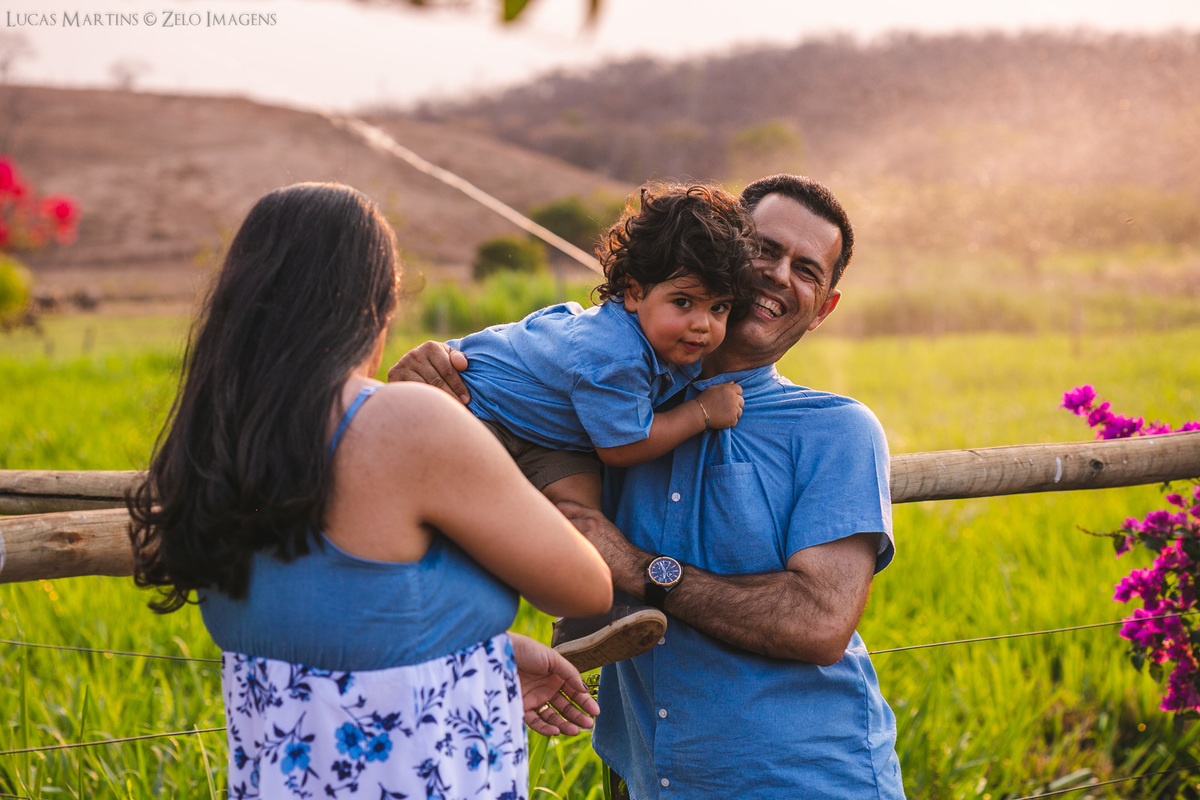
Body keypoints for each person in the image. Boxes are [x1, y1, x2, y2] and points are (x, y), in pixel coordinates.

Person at [389, 173, 905, 798]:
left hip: (806, 779)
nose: (776, 275)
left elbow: (820, 623)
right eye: (764, 250)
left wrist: (639, 568)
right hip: (646, 777)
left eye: (806, 270)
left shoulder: (837, 431)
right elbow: (498, 412)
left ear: (823, 307)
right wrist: (432, 374)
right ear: (722, 253)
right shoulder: (597, 397)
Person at [127, 182, 613, 800]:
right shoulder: (405, 422)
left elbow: (328, 610)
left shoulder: (214, 439)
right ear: (377, 308)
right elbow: (583, 585)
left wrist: (469, 649)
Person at [441, 182, 756, 671]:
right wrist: (702, 414)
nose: (703, 326)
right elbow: (623, 448)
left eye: (719, 308)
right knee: (464, 521)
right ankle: (443, 623)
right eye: (684, 303)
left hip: (549, 434)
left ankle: (587, 614)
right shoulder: (614, 354)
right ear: (633, 292)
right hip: (481, 411)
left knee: (582, 515)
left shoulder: (655, 345)